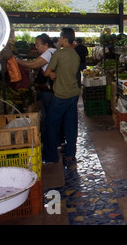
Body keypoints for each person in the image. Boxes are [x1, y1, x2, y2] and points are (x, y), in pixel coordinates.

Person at [44, 27, 80, 166]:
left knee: (51, 125)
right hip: (73, 94)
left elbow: (47, 72)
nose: (58, 40)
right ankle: (70, 154)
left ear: (65, 39)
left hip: (61, 96)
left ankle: (51, 156)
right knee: (70, 125)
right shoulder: (75, 54)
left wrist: (53, 74)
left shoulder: (59, 54)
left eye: (60, 37)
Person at [16, 33, 57, 145]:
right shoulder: (53, 51)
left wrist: (17, 60)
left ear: (46, 44)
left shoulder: (49, 53)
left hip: (48, 89)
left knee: (48, 115)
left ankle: (51, 141)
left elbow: (33, 64)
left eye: (38, 44)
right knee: (51, 114)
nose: (36, 47)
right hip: (53, 89)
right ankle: (56, 140)